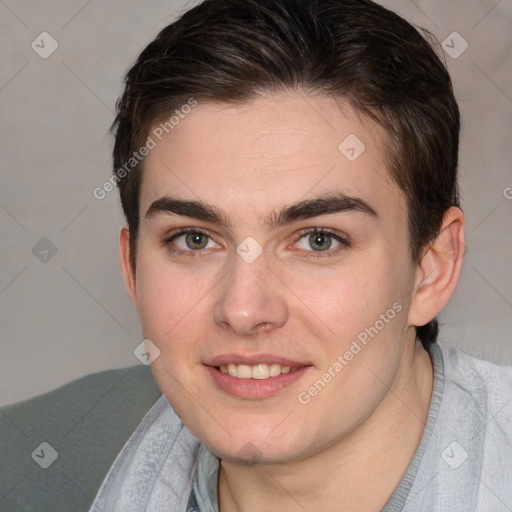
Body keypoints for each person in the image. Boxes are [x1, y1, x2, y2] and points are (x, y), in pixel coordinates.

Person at [1, 1, 510, 511]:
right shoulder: (27, 469)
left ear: (431, 269)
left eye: (318, 240)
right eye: (194, 239)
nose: (244, 311)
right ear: (132, 269)